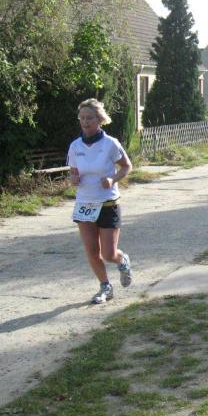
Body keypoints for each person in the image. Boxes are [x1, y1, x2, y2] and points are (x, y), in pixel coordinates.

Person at [68, 98, 134, 304]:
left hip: (107, 203)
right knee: (92, 252)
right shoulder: (75, 146)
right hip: (84, 204)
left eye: (89, 118)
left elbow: (127, 166)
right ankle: (105, 287)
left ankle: (122, 260)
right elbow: (74, 172)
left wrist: (112, 179)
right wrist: (73, 179)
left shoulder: (110, 144)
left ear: (99, 120)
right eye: (82, 118)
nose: (85, 122)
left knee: (108, 254)